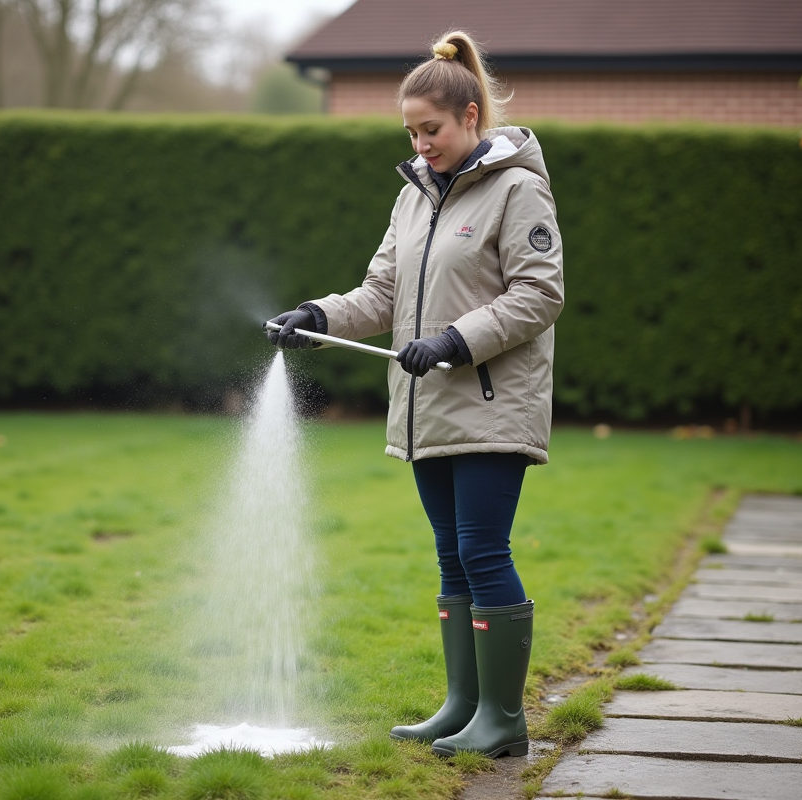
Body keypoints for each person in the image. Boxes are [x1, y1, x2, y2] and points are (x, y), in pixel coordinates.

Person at [267, 30, 564, 759]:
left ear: (469, 117)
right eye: (411, 131)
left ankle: (504, 721)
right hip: (426, 407)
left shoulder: (518, 189)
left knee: (482, 551)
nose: (420, 142)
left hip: (493, 407)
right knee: (451, 557)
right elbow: (381, 293)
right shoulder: (412, 200)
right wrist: (318, 315)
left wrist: (456, 341)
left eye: (430, 129)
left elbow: (540, 293)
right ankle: (464, 706)